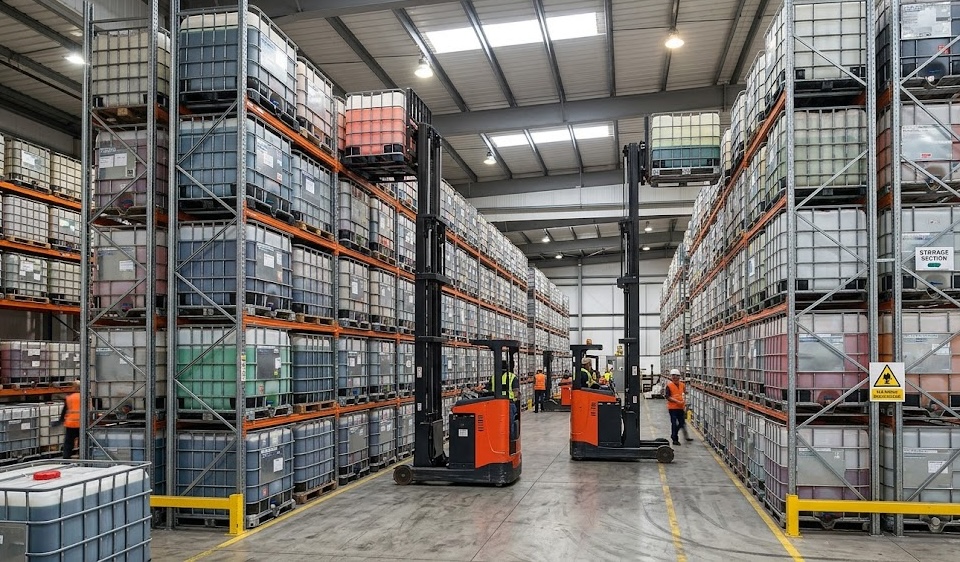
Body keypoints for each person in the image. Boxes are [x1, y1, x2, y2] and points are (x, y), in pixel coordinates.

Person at [665, 369, 693, 446]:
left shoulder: (682, 385)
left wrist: (686, 403)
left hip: (681, 407)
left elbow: (684, 394)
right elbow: (667, 396)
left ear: (679, 377)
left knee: (681, 423)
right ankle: (675, 439)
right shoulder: (669, 386)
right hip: (673, 408)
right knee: (674, 423)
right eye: (673, 376)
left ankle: (674, 434)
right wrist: (676, 401)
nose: (675, 377)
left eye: (676, 376)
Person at [59, 380, 81, 459]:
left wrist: (60, 421)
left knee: (68, 443)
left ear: (74, 387)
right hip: (82, 423)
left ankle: (66, 459)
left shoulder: (69, 398)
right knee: (83, 442)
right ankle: (83, 457)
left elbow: (64, 411)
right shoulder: (85, 397)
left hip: (70, 423)